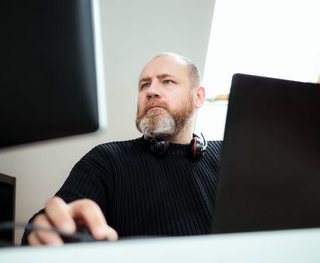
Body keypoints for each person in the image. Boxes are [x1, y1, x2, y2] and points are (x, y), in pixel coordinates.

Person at [22, 52, 222, 246]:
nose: (151, 91)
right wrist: (45, 229)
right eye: (144, 85)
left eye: (167, 81)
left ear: (198, 97)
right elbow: (55, 220)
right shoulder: (107, 160)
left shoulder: (229, 158)